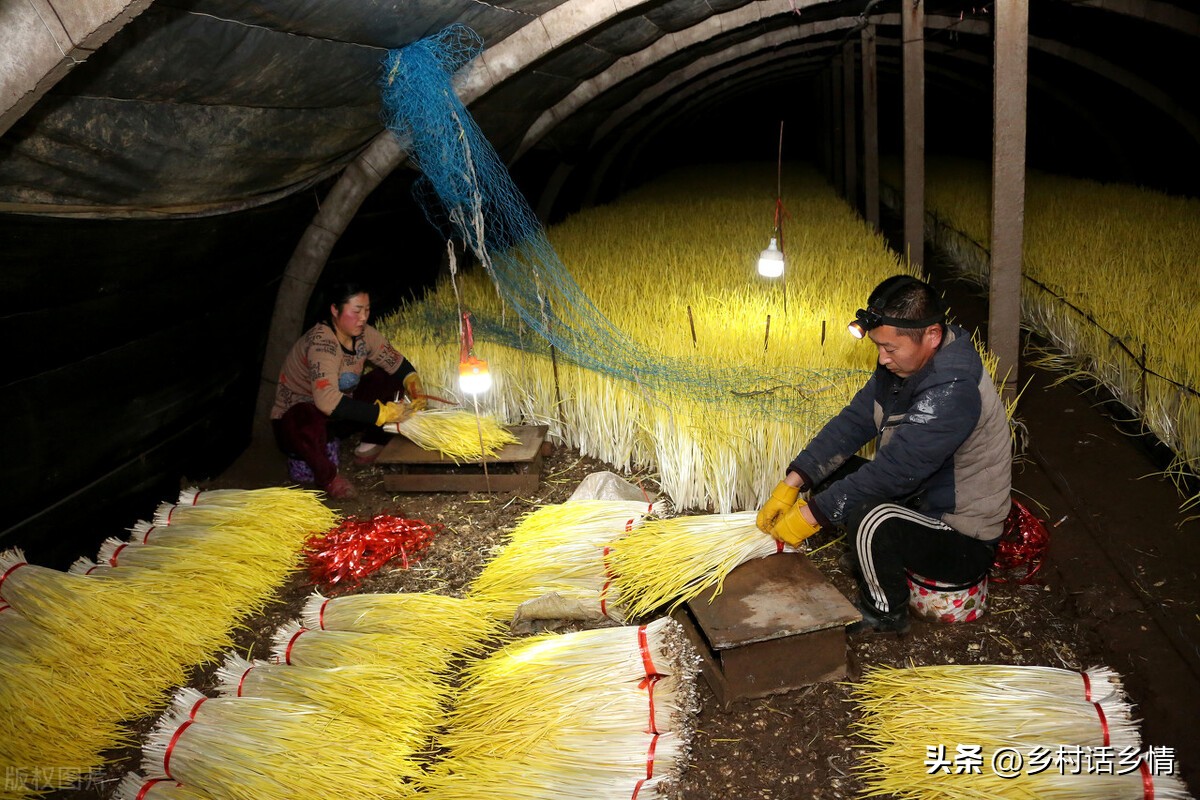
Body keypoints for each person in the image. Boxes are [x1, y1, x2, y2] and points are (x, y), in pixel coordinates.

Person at [756, 275, 1011, 634]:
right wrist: (793, 482)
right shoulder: (907, 365)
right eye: (878, 347)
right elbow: (854, 423)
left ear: (932, 336)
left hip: (960, 535)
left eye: (890, 349)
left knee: (869, 518)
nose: (883, 358)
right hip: (922, 498)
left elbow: (896, 472)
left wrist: (811, 517)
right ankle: (874, 556)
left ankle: (885, 613)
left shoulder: (952, 391)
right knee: (830, 477)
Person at [270, 282, 427, 500]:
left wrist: (413, 382)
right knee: (303, 418)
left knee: (388, 378)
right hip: (301, 421)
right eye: (356, 311)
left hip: (340, 414)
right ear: (335, 310)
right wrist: (382, 414)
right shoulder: (322, 344)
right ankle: (329, 478)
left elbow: (396, 363)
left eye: (367, 310)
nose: (363, 317)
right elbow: (326, 402)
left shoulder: (365, 335)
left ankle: (369, 446)